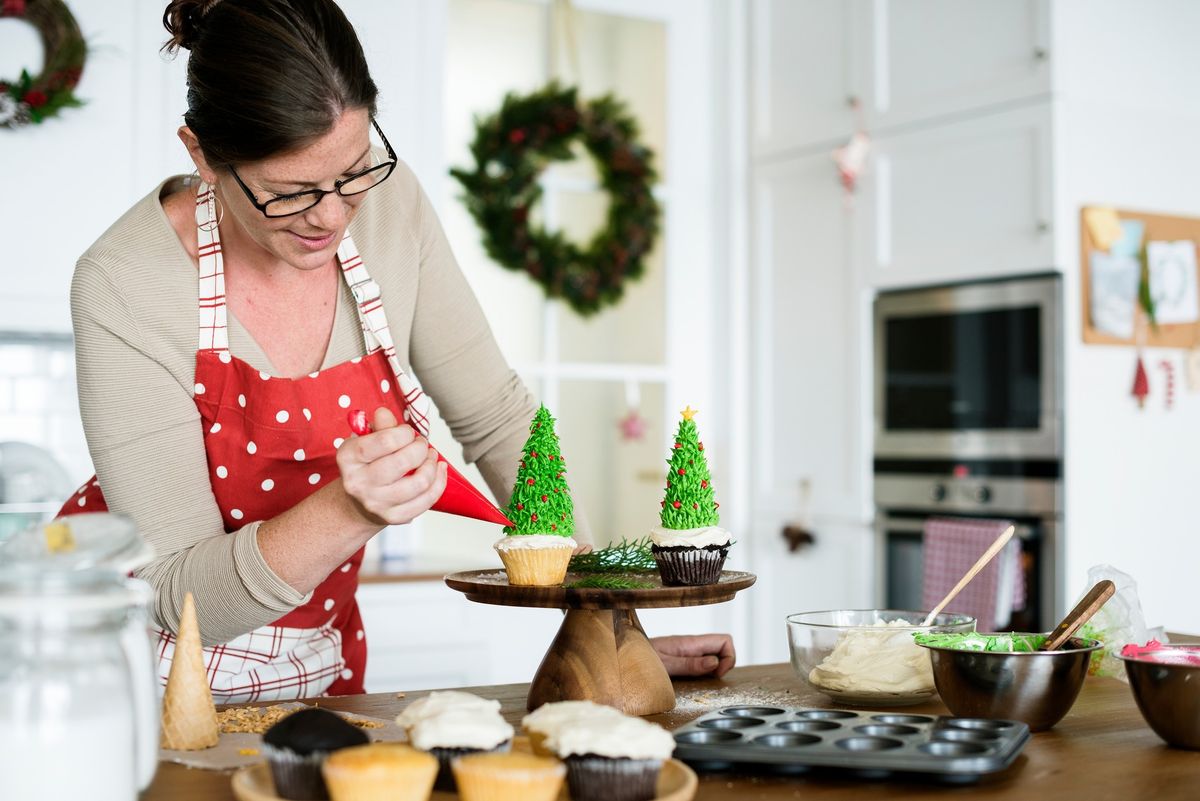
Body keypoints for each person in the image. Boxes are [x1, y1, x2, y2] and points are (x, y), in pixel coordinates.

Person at [61, 0, 734, 703]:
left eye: (353, 171)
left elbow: (501, 420)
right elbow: (178, 593)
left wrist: (616, 629)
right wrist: (348, 511)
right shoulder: (125, 280)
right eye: (288, 194)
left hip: (313, 658)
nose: (330, 215)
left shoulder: (391, 208)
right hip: (134, 669)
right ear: (202, 154)